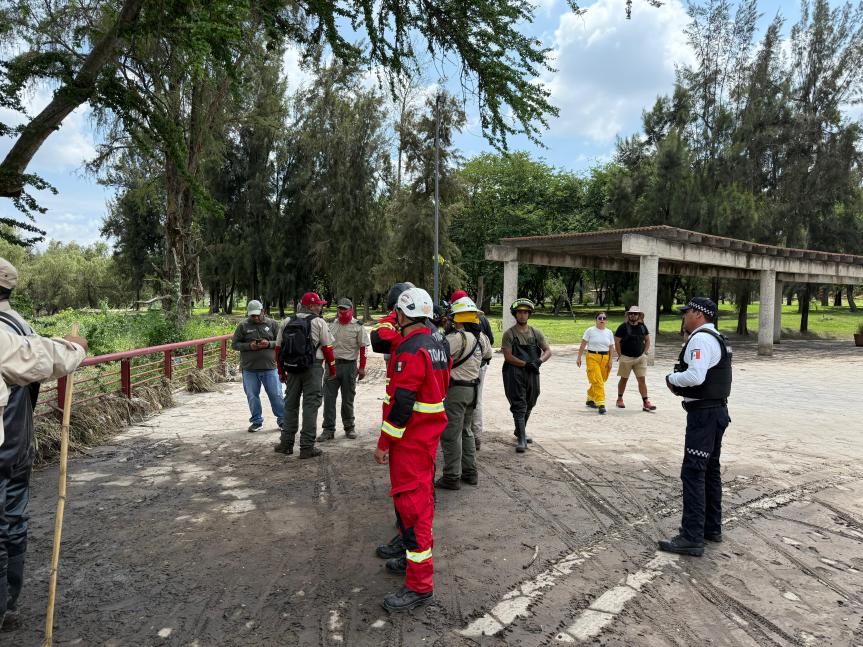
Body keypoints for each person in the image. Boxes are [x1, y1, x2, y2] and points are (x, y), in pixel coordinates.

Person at [0, 257, 88, 631]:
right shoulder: (19, 325)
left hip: (10, 439)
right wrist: (74, 349)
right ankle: (8, 603)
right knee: (10, 519)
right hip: (14, 440)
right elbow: (41, 357)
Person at [373, 287, 450, 612]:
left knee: (414, 510)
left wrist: (383, 443)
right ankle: (408, 559)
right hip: (426, 439)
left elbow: (402, 404)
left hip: (410, 441)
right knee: (419, 502)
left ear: (403, 316)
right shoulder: (439, 344)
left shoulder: (410, 349)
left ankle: (419, 586)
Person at [659, 297, 732, 557]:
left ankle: (691, 536)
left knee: (693, 472)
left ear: (699, 314)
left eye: (687, 311)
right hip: (716, 412)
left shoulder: (700, 339)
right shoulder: (716, 338)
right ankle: (711, 528)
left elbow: (695, 376)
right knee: (710, 471)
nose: (684, 316)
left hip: (704, 417)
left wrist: (671, 378)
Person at [370, 282, 417, 563]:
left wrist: (384, 441)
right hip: (418, 422)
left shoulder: (407, 336)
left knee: (406, 485)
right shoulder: (429, 334)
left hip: (406, 422)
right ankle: (406, 532)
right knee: (414, 486)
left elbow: (379, 336)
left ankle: (407, 540)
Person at [435, 297, 491, 489]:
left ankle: (451, 476)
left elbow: (439, 355)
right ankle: (470, 473)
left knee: (451, 434)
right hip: (473, 390)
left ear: (458, 318)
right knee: (466, 431)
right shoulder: (482, 338)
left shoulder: (457, 338)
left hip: (457, 390)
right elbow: (488, 356)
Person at [274, 292, 337, 458]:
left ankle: (286, 444)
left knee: (290, 405)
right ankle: (307, 447)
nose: (321, 307)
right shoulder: (319, 322)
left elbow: (278, 349)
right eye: (319, 304)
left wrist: (281, 371)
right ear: (311, 306)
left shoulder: (287, 321)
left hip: (292, 368)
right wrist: (333, 368)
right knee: (310, 406)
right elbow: (328, 348)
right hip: (313, 368)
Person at [501, 298, 552, 453]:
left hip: (532, 372)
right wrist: (525, 364)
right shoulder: (509, 334)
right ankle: (522, 439)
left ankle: (519, 430)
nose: (522, 315)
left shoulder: (536, 333)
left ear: (529, 314)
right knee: (519, 404)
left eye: (525, 312)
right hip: (514, 373)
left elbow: (548, 351)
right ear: (515, 314)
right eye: (519, 312)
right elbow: (508, 356)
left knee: (531, 400)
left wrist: (539, 361)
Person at [449, 290, 494, 451]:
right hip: (476, 375)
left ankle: (453, 473)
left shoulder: (455, 338)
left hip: (458, 382)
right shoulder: (482, 334)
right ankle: (475, 438)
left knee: (453, 429)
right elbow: (489, 351)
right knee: (475, 407)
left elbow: (443, 355)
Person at [319, 298, 369, 441]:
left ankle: (349, 427)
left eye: (345, 309)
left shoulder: (358, 326)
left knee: (347, 399)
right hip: (331, 366)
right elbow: (325, 346)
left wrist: (362, 368)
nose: (342, 312)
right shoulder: (331, 325)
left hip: (349, 366)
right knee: (329, 399)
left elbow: (363, 348)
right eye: (340, 309)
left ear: (351, 310)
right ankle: (328, 429)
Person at [231, 300, 284, 433]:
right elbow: (235, 344)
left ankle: (283, 420)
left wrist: (269, 344)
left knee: (276, 394)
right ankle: (256, 421)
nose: (254, 318)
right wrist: (249, 346)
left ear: (263, 311)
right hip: (249, 369)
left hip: (270, 368)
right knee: (252, 396)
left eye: (257, 315)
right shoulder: (243, 326)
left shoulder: (272, 324)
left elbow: (282, 342)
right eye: (252, 315)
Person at [614, 305, 656, 412]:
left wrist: (645, 352)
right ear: (628, 315)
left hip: (640, 358)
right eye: (631, 314)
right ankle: (619, 399)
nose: (633, 315)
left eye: (635, 314)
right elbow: (617, 341)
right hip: (626, 358)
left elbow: (647, 340)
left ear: (639, 315)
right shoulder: (622, 327)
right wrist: (620, 355)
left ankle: (646, 402)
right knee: (624, 379)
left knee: (642, 379)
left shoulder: (642, 327)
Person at [577, 312, 615, 415]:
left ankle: (590, 398)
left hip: (605, 358)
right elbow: (583, 345)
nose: (602, 320)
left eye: (604, 318)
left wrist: (611, 360)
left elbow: (611, 347)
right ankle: (601, 404)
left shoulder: (609, 332)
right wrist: (579, 357)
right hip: (592, 357)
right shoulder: (590, 331)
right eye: (600, 318)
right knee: (598, 381)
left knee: (602, 380)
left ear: (606, 320)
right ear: (596, 319)